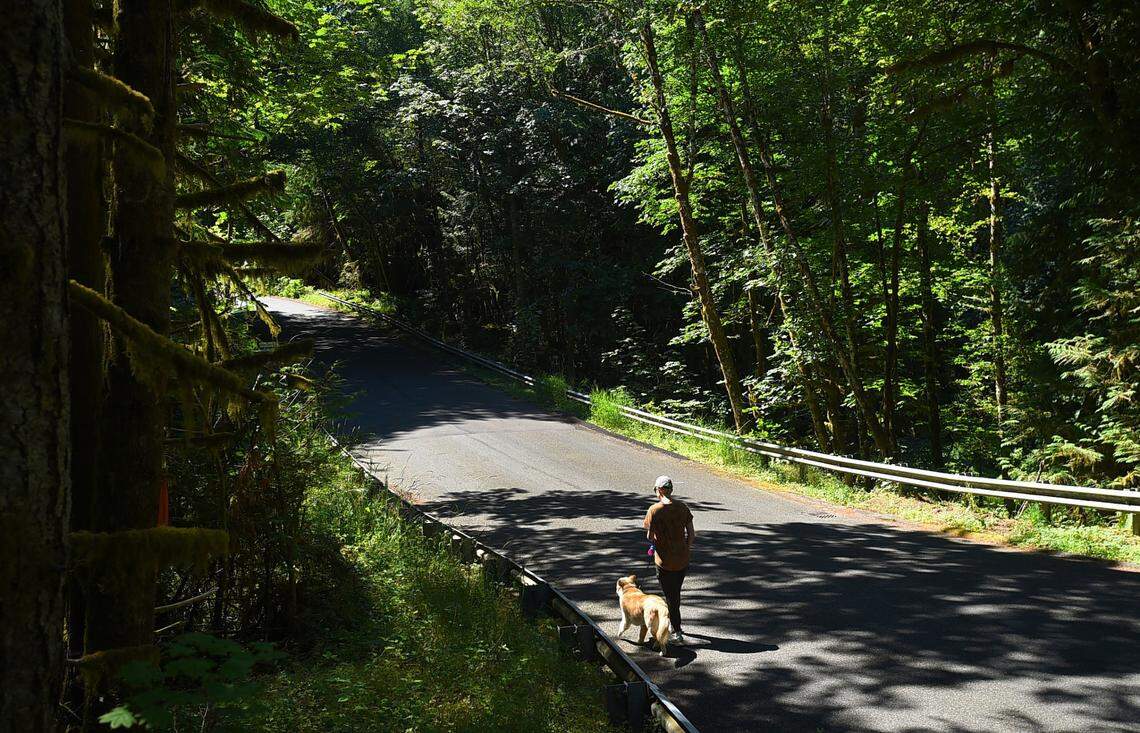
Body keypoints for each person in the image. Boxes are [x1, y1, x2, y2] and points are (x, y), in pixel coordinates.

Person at [643, 475, 694, 645]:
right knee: (675, 593)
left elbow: (650, 536)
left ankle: (676, 630)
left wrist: (657, 540)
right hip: (681, 559)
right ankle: (674, 626)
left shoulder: (654, 510)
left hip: (664, 561)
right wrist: (685, 548)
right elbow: (692, 534)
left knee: (670, 596)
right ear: (671, 490)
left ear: (658, 490)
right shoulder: (683, 508)